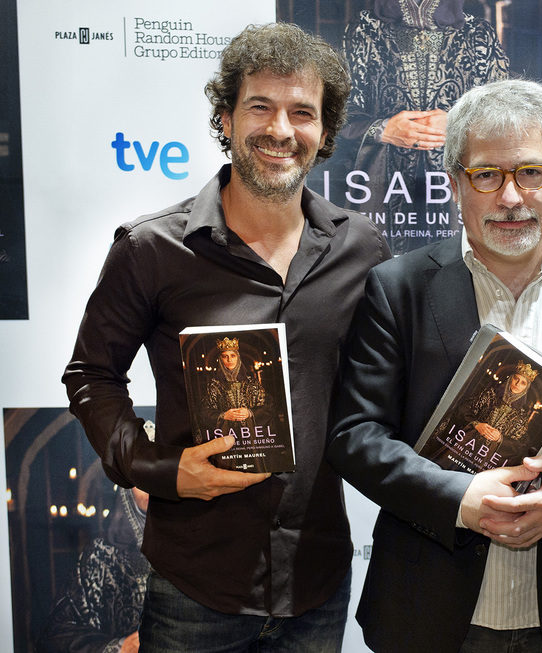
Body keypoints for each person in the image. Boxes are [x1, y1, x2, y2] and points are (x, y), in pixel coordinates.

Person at [62, 23, 391, 652]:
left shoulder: (362, 249)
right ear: (225, 117)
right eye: (259, 107)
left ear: (324, 132)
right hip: (194, 584)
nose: (280, 130)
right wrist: (163, 469)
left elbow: (396, 373)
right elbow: (91, 375)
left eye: (302, 112)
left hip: (316, 584)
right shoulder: (151, 248)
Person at [326, 78, 542, 653]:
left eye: (530, 172)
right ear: (455, 184)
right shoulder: (397, 287)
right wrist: (457, 499)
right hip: (425, 613)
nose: (511, 198)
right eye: (487, 175)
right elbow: (355, 435)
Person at [337, 0, 509, 252]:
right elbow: (337, 114)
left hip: (457, 189)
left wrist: (458, 122)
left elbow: (506, 116)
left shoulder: (478, 34)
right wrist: (382, 129)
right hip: (381, 186)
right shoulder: (365, 30)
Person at [38, 488, 150, 653]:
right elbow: (57, 634)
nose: (151, 487)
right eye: (141, 478)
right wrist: (120, 647)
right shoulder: (101, 555)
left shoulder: (193, 551)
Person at [202, 337, 271, 440]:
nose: (229, 360)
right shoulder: (214, 385)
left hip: (251, 436)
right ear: (221, 359)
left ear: (238, 357)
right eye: (225, 356)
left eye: (233, 356)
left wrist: (249, 413)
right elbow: (204, 412)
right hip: (225, 436)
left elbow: (267, 407)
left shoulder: (252, 383)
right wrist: (223, 415)